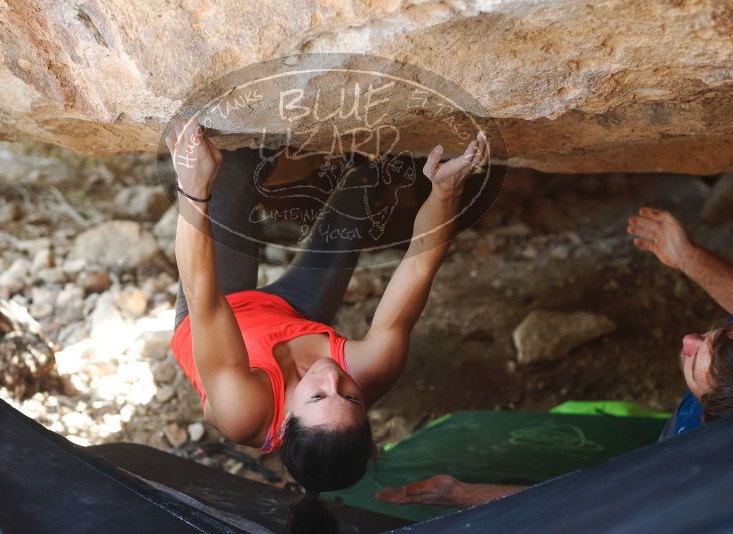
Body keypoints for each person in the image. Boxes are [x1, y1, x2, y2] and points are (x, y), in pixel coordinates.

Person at [166, 115, 489, 531]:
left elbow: (204, 299)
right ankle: (363, 164)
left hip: (216, 308)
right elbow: (418, 270)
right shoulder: (370, 371)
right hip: (291, 314)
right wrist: (445, 191)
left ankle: (254, 154)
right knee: (359, 199)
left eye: (318, 397)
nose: (332, 378)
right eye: (352, 399)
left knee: (235, 167)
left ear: (286, 422)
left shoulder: (243, 411)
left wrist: (193, 188)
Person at [375, 206, 733, 509]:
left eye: (693, 359)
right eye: (708, 335)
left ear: (710, 415)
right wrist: (687, 256)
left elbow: (589, 506)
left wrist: (460, 493)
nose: (686, 339)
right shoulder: (725, 379)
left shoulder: (688, 473)